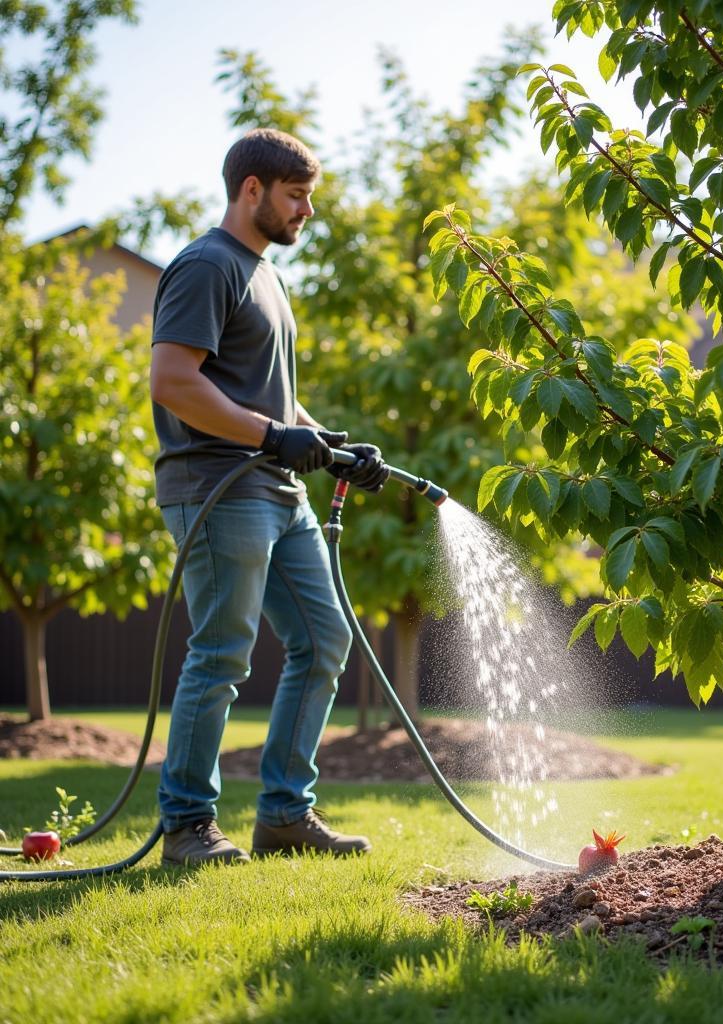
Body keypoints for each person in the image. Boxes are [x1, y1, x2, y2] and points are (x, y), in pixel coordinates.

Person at [149, 127, 389, 866]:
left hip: (279, 491)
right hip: (218, 488)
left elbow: (274, 402)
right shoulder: (206, 265)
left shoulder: (267, 277)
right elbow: (173, 381)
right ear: (251, 189)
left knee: (324, 640)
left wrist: (331, 442)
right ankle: (188, 825)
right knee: (222, 653)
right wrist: (266, 435)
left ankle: (285, 814)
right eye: (296, 196)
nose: (306, 212)